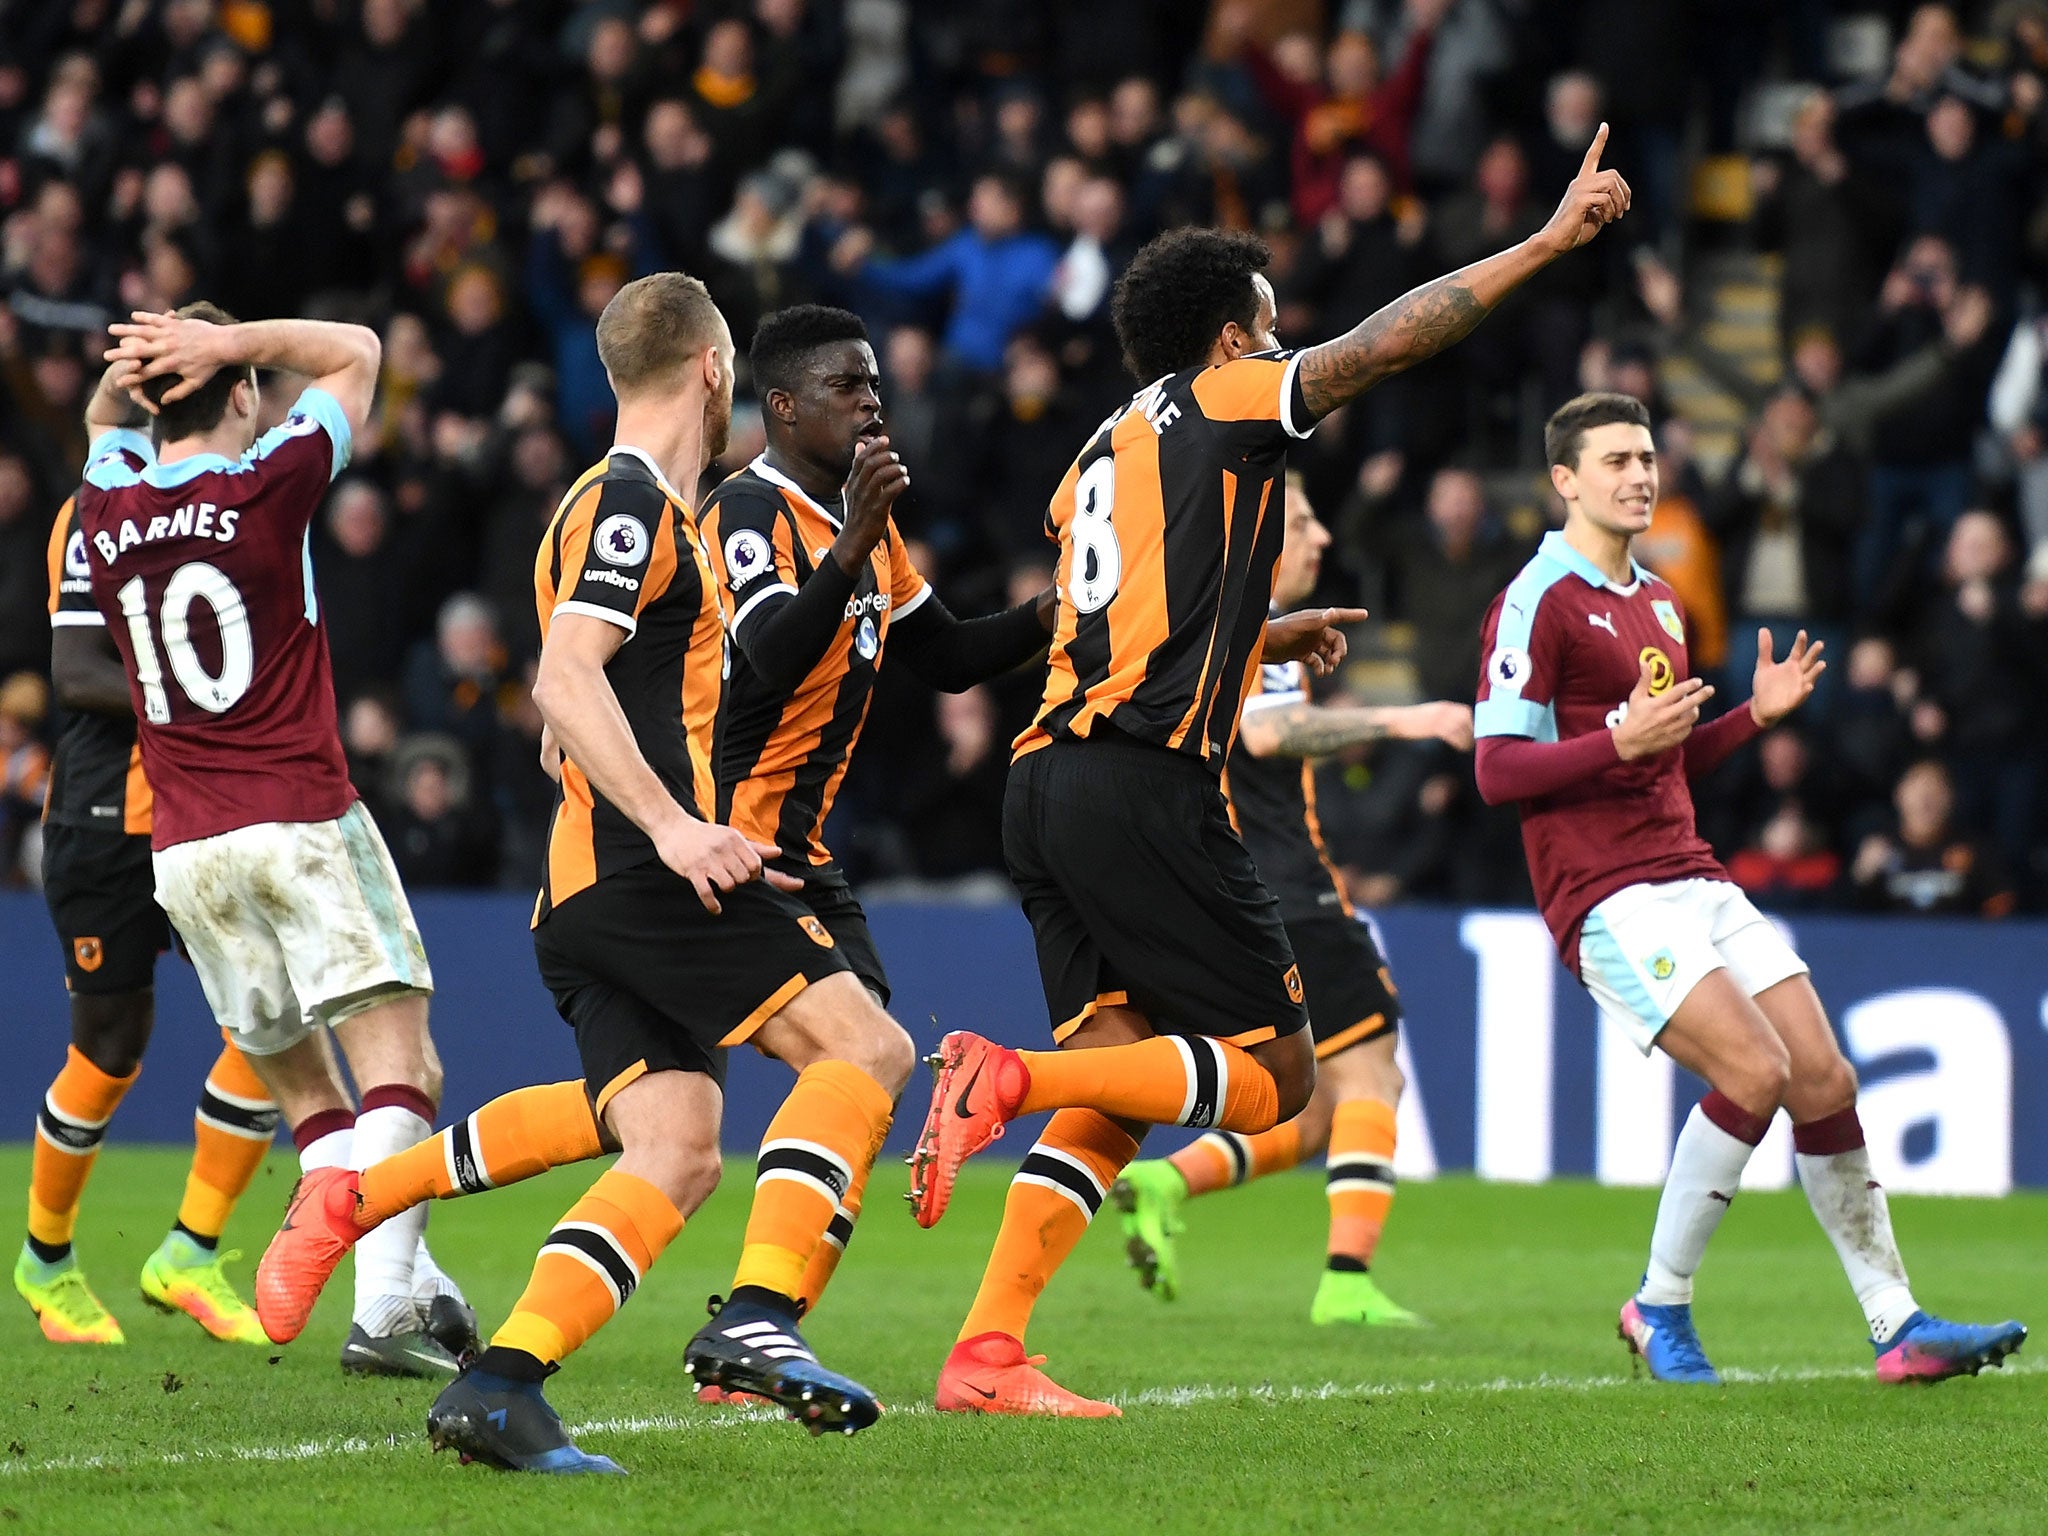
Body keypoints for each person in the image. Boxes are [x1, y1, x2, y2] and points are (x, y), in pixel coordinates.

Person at [907, 126, 1635, 1417]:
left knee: (1125, 1078)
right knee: (1275, 1077)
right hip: (1145, 784)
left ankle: (986, 1352)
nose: (1285, 336)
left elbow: (1111, 614)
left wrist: (1253, 629)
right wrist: (1542, 243)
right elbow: (1388, 343)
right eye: (1272, 321)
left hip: (1046, 779)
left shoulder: (1097, 453)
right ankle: (1008, 1077)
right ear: (1235, 337)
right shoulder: (1229, 392)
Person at [258, 275, 910, 1474]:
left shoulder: (606, 507)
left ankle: (496, 1385)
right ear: (715, 372)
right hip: (639, 874)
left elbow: (579, 700)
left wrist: (624, 763)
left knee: (672, 1142)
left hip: (587, 888)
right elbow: (564, 679)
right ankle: (760, 1316)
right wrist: (674, 827)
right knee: (866, 1050)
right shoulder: (632, 504)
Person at [1472, 390, 2026, 1385]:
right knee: (1753, 1073)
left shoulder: (1659, 598)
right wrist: (1611, 738)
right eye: (1614, 461)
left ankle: (1894, 1324)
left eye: (1645, 457)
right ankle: (1658, 1304)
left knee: (1822, 1079)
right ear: (1563, 480)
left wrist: (1747, 722)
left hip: (1688, 871)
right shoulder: (1536, 599)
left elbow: (1659, 762)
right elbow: (1495, 769)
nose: (1639, 474)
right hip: (1603, 889)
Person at [73, 304, 472, 1378]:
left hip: (187, 856)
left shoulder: (101, 504)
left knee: (308, 1097)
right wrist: (231, 337)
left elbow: (101, 414)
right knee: (406, 1068)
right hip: (298, 817)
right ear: (242, 388)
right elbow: (362, 351)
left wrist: (148, 367)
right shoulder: (267, 482)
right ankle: (384, 1305)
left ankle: (408, 1284)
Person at [1113, 471, 1472, 1326]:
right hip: (1292, 897)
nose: (1320, 539)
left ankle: (1167, 1180)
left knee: (1309, 1109)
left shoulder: (1221, 627)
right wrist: (1405, 720)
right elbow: (1268, 732)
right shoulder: (1250, 630)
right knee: (1374, 1076)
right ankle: (1347, 1282)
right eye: (1303, 524)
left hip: (1238, 893)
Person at [16, 491, 277, 1349]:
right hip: (106, 819)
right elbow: (76, 673)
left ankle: (191, 1250)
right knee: (109, 1048)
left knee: (275, 1020)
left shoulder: (233, 507)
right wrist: (210, 692)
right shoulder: (98, 510)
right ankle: (45, 1261)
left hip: (209, 814)